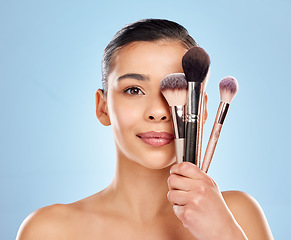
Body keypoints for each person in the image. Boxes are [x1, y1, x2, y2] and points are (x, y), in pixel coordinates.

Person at [17, 19, 273, 240]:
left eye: (180, 88)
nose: (159, 111)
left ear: (202, 108)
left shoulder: (238, 214)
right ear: (102, 108)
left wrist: (223, 233)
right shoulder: (50, 230)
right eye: (133, 90)